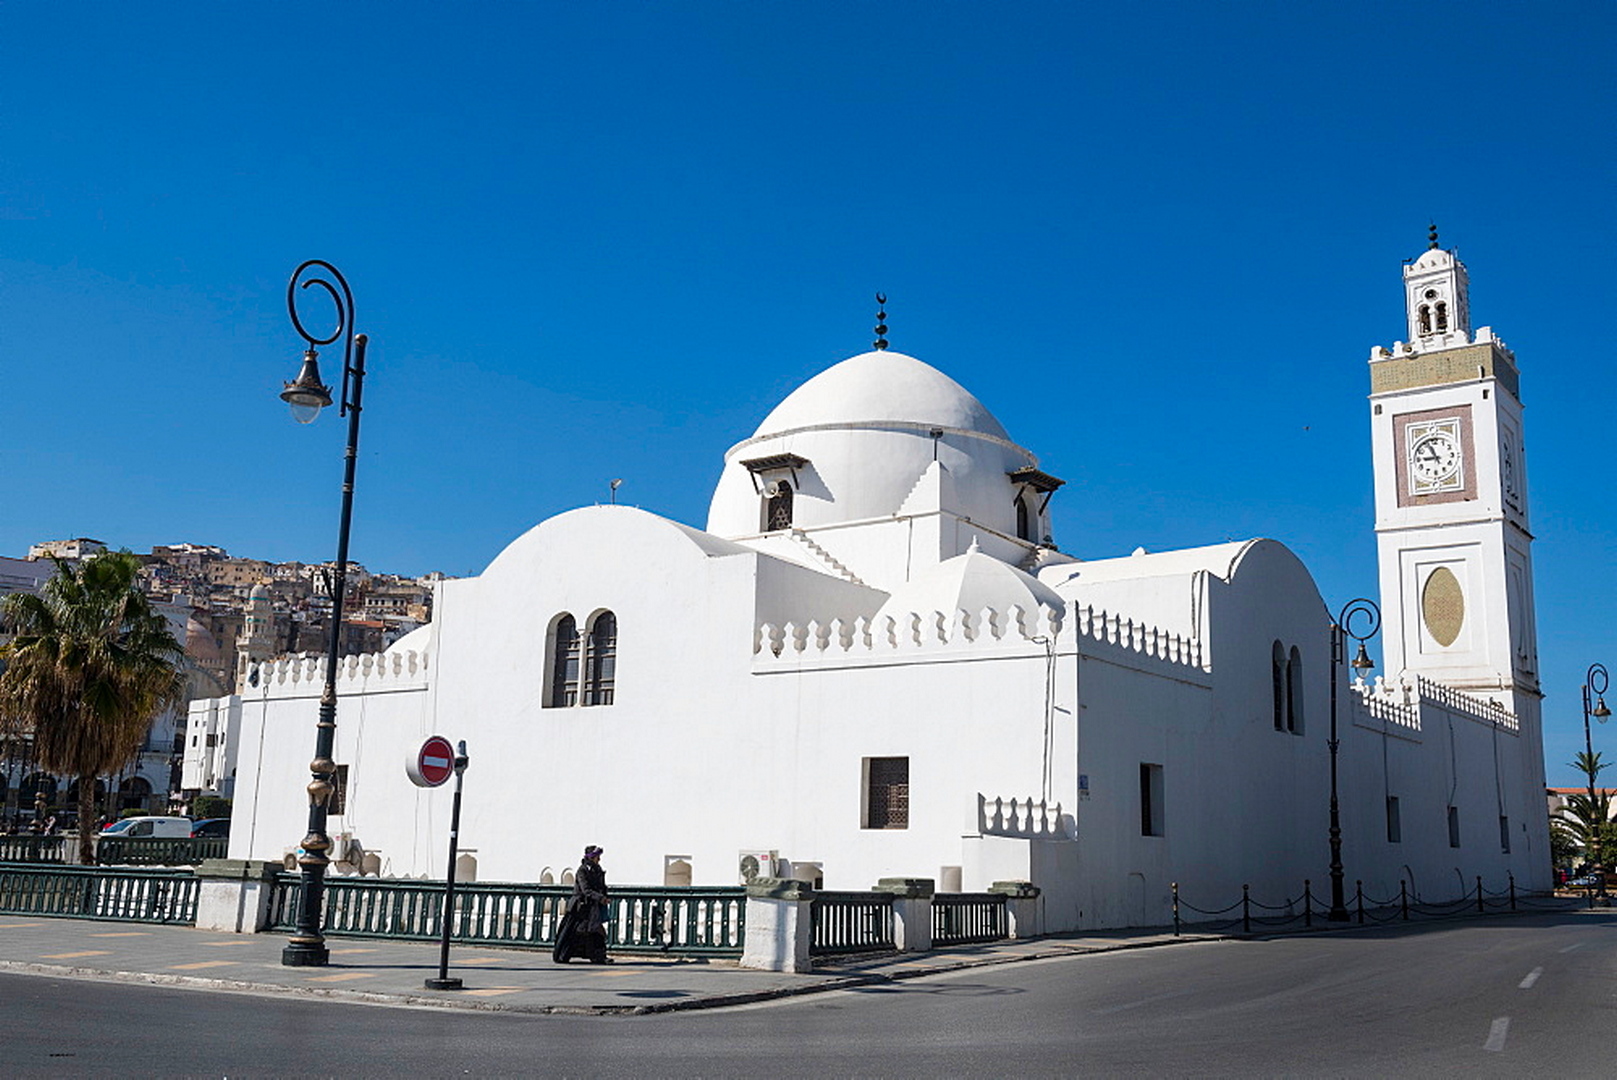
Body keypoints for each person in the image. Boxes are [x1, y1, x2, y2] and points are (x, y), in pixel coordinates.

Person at [553, 844, 612, 964]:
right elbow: (586, 890)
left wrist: (604, 896)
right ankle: (565, 954)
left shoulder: (598, 870)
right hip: (580, 908)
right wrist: (600, 897)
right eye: (597, 857)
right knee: (576, 933)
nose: (599, 859)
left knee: (596, 931)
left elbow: (601, 886)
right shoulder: (582, 871)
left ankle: (598, 955)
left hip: (593, 907)